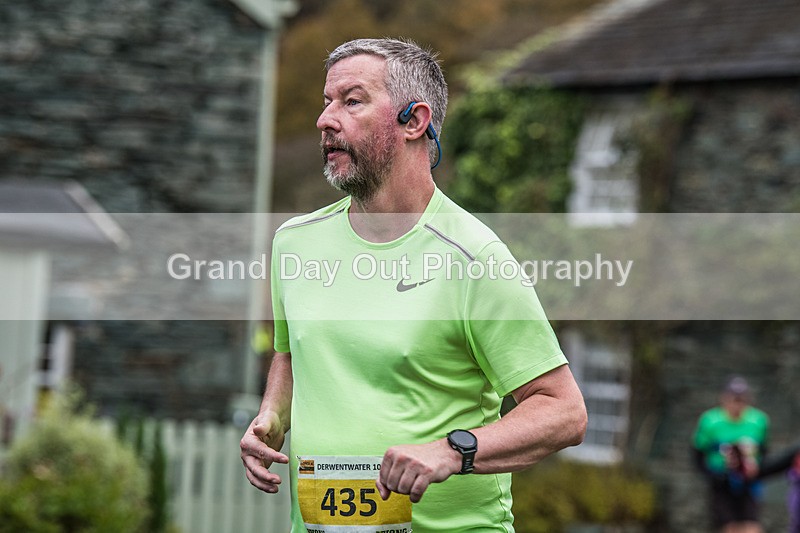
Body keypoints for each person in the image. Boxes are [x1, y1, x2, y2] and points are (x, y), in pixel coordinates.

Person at [240, 37, 587, 532]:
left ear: (414, 121)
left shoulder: (475, 258)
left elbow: (564, 412)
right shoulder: (294, 243)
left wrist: (453, 451)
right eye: (326, 102)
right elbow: (293, 353)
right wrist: (271, 419)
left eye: (352, 101)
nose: (325, 120)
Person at [693, 376, 770, 533]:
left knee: (752, 526)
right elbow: (697, 453)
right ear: (724, 398)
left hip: (748, 483)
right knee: (730, 527)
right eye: (734, 399)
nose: (737, 404)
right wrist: (712, 475)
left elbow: (765, 451)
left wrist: (757, 470)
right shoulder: (710, 421)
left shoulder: (758, 421)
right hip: (721, 481)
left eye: (741, 400)